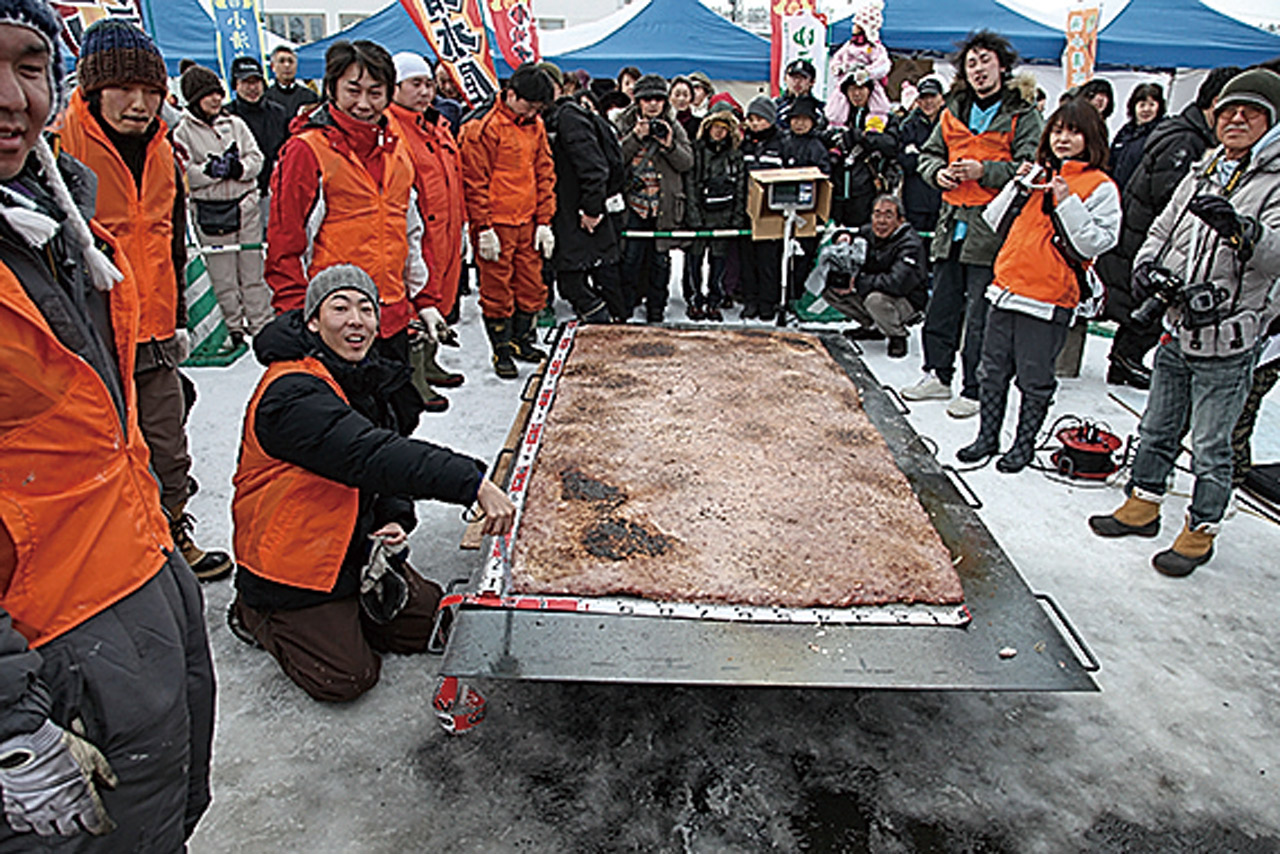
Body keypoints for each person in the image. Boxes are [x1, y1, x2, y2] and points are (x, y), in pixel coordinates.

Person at [0, 2, 214, 848]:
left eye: (26, 63)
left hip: (133, 568)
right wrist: (12, 714)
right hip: (49, 637)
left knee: (164, 808)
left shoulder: (52, 218)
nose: (9, 97)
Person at [229, 266, 515, 702]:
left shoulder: (359, 376)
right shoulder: (291, 393)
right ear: (312, 321)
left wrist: (394, 516)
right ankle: (256, 614)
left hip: (351, 547)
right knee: (346, 678)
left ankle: (347, 613)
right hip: (294, 564)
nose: (355, 320)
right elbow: (368, 453)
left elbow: (383, 455)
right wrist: (471, 482)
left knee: (434, 624)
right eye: (339, 308)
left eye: (366, 309)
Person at [59, 18, 233, 580]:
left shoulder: (165, 150)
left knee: (166, 443)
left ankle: (170, 530)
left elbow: (172, 240)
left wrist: (179, 316)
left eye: (151, 91)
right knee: (95, 452)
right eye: (124, 89)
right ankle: (108, 554)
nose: (139, 104)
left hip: (154, 328)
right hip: (87, 338)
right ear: (93, 88)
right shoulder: (59, 148)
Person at [1089, 68, 1280, 576]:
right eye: (1229, 110)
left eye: (1251, 112)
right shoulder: (1205, 168)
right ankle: (1144, 501)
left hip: (1232, 338)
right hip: (1178, 325)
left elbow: (1276, 255)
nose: (1236, 119)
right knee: (1156, 426)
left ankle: (1201, 528)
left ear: (1272, 121)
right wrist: (1149, 266)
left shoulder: (1276, 182)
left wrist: (1245, 231)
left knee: (1213, 444)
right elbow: (1163, 227)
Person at [957, 99, 1120, 473]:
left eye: (1073, 131)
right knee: (991, 370)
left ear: (1090, 137)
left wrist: (1066, 203)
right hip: (1007, 288)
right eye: (1058, 130)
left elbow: (1095, 243)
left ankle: (1023, 444)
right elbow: (994, 220)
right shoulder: (1038, 175)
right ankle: (987, 437)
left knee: (1035, 378)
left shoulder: (1100, 186)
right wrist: (1019, 184)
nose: (1063, 138)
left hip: (1048, 297)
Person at [900, 30, 1042, 420]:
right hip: (952, 224)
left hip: (993, 226)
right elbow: (928, 155)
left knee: (981, 315)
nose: (978, 69)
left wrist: (987, 170)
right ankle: (937, 374)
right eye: (971, 62)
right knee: (941, 305)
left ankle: (975, 388)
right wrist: (937, 173)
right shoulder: (952, 111)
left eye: (985, 60)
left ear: (1002, 65)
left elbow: (1030, 168)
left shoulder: (1023, 114)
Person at [1096, 66, 1240, 390]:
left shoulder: (1184, 132)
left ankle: (1124, 360)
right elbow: (1168, 196)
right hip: (1151, 237)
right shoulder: (1186, 139)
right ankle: (1125, 360)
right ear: (1216, 101)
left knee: (1143, 306)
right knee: (1148, 303)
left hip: (1146, 234)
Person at [459, 63, 557, 376]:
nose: (532, 112)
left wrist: (544, 220)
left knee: (531, 284)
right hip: (496, 223)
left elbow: (544, 172)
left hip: (527, 220)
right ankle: (501, 349)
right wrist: (483, 227)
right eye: (529, 105)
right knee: (497, 288)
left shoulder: (535, 124)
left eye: (538, 108)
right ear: (511, 94)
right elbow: (474, 182)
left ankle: (523, 339)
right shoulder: (482, 127)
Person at [387, 52, 468, 409]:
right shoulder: (392, 128)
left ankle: (430, 361)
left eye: (428, 84)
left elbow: (455, 180)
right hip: (418, 234)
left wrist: (463, 226)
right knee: (417, 301)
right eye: (415, 84)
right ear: (395, 87)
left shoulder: (436, 125)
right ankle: (414, 376)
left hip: (447, 233)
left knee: (440, 298)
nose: (424, 91)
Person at [173, 64, 273, 349]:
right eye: (208, 95)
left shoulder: (235, 124)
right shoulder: (182, 131)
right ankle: (233, 325)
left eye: (218, 93)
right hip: (211, 208)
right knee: (223, 273)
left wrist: (239, 167)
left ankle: (261, 322)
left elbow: (257, 158)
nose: (216, 100)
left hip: (245, 203)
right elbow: (183, 172)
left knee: (253, 268)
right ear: (194, 98)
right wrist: (210, 170)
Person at [547, 74, 627, 323]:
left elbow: (594, 169)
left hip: (581, 213)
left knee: (579, 282)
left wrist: (592, 210)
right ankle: (611, 324)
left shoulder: (569, 118)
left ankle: (610, 328)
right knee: (591, 277)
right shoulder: (565, 116)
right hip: (577, 210)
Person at [615, 73, 693, 323]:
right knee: (630, 260)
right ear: (637, 101)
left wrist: (669, 144)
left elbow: (686, 162)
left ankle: (656, 310)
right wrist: (635, 137)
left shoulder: (673, 125)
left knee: (661, 263)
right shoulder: (624, 123)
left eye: (658, 99)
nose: (652, 104)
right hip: (634, 205)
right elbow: (614, 160)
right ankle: (626, 307)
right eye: (647, 99)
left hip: (663, 207)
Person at [824, 195, 927, 358]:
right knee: (833, 288)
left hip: (905, 299)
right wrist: (843, 237)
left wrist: (857, 282)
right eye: (877, 214)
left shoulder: (910, 244)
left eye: (888, 215)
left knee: (875, 300)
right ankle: (872, 327)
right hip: (872, 288)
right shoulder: (868, 233)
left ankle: (897, 335)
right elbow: (853, 234)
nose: (881, 221)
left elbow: (896, 283)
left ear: (900, 220)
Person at [684, 109, 748, 321]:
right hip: (700, 214)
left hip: (724, 215)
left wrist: (737, 217)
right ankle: (694, 299)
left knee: (719, 262)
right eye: (715, 127)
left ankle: (715, 300)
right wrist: (693, 216)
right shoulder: (697, 151)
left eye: (724, 128)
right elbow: (690, 185)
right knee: (694, 261)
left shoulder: (735, 155)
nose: (719, 132)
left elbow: (740, 188)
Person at [828, 70, 898, 228]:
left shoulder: (885, 117)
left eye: (861, 89)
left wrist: (864, 137)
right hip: (838, 189)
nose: (856, 94)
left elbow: (892, 145)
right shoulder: (836, 117)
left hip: (868, 189)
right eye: (852, 90)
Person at [739, 95, 786, 321]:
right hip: (747, 209)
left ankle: (768, 301)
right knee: (747, 260)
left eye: (760, 119)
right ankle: (750, 299)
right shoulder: (745, 143)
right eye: (752, 119)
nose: (755, 124)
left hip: (771, 210)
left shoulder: (781, 143)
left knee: (769, 260)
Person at [224, 55, 289, 217]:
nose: (252, 88)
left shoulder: (278, 112)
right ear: (236, 85)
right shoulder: (226, 116)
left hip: (272, 191)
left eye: (256, 82)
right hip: (238, 194)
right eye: (246, 83)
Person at [825, 0, 890, 127]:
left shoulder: (875, 47)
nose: (854, 28)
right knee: (839, 100)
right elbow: (837, 58)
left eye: (858, 26)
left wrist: (868, 72)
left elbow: (883, 64)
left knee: (877, 100)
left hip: (867, 79)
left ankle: (875, 124)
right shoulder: (848, 45)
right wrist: (838, 67)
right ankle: (836, 126)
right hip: (846, 79)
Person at [897, 75, 945, 233]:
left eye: (932, 96)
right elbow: (905, 161)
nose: (928, 102)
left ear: (942, 98)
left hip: (943, 199)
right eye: (923, 97)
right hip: (915, 200)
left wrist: (918, 154)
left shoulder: (951, 125)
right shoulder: (908, 126)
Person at [1108, 82, 1166, 191]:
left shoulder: (1160, 133)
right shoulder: (1125, 132)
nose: (1146, 109)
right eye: (1142, 104)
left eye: (1151, 105)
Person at [266, 44, 319, 118]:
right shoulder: (266, 97)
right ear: (273, 66)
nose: (287, 65)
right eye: (282, 61)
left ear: (296, 65)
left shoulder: (309, 96)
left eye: (291, 61)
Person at [775, 58, 826, 131]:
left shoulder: (821, 109)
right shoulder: (775, 107)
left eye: (803, 78)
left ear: (812, 82)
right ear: (785, 79)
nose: (797, 81)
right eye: (793, 77)